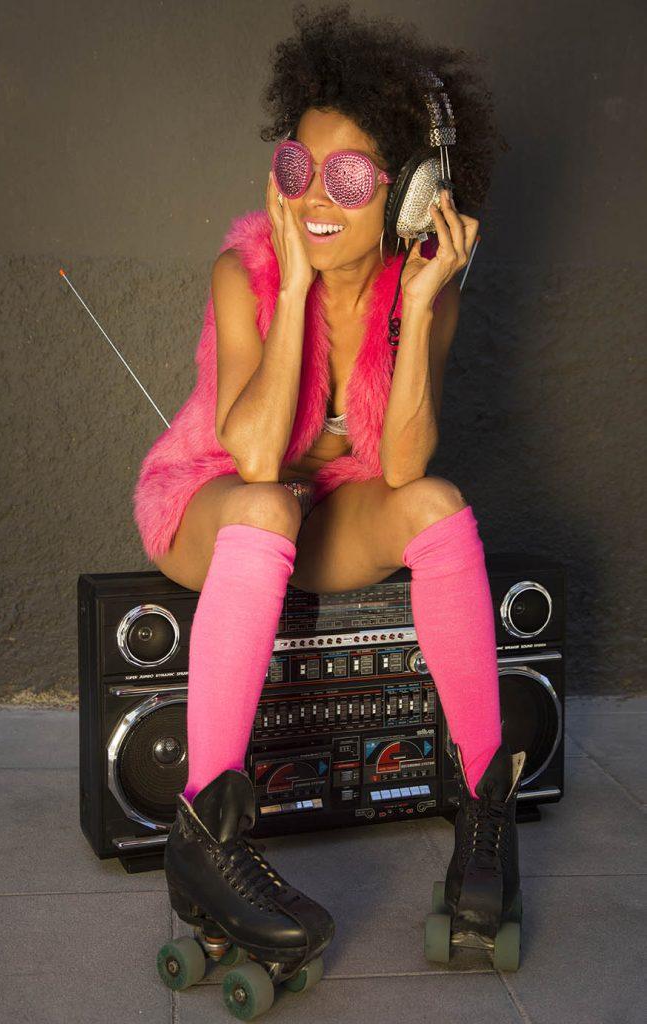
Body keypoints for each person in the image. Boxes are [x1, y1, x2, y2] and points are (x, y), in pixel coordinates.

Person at [144, 3, 526, 1005]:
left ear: (407, 194)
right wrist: (300, 284)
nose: (314, 194)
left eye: (351, 176)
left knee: (437, 504)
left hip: (333, 505)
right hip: (213, 503)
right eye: (295, 166)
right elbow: (258, 451)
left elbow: (398, 465)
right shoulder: (245, 272)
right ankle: (207, 832)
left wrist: (416, 301)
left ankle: (486, 818)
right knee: (266, 504)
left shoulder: (422, 291)